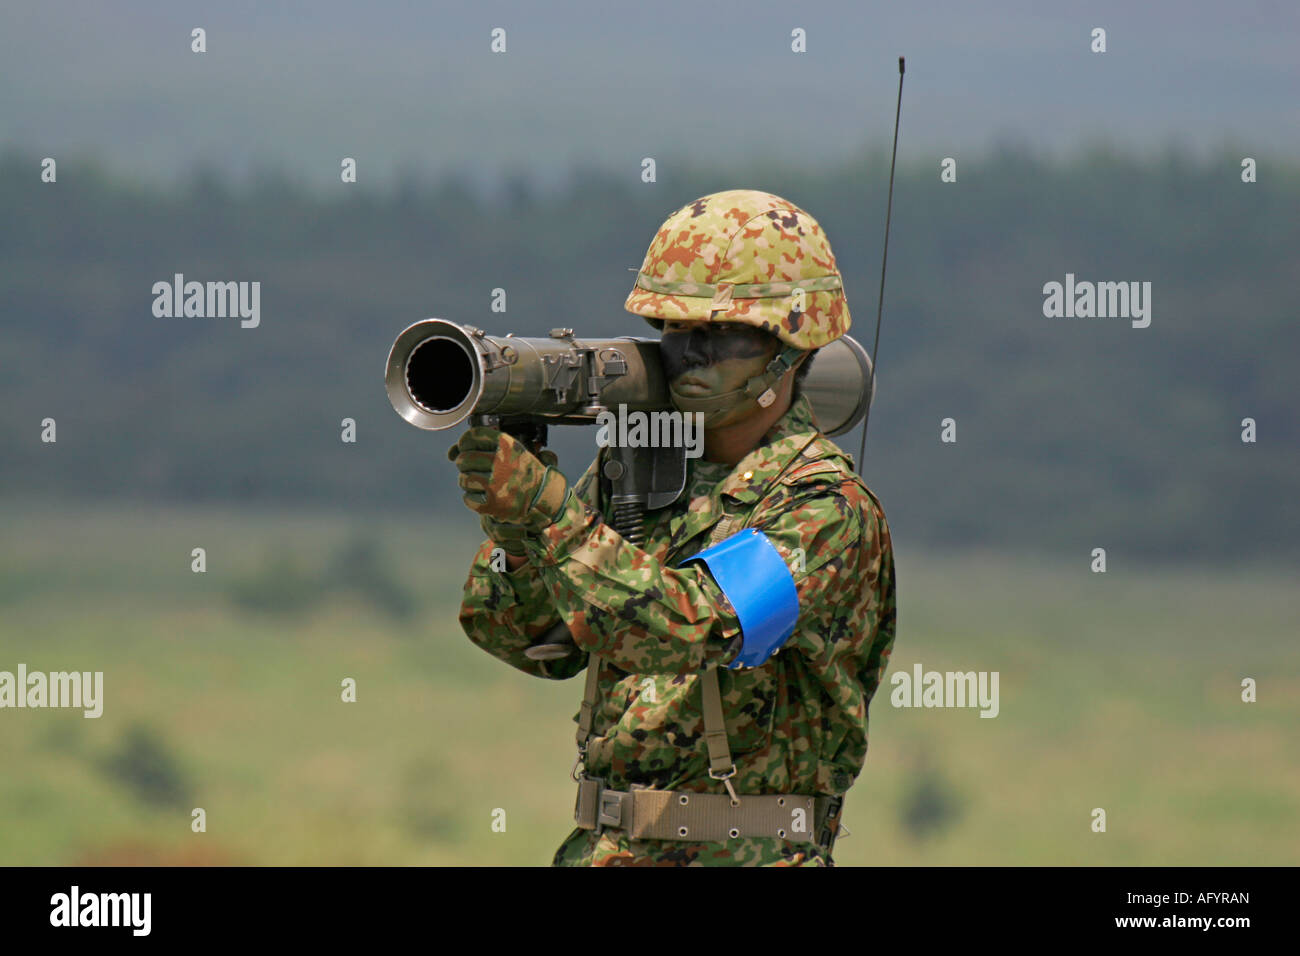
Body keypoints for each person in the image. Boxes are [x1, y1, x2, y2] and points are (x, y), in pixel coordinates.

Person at [451, 189, 897, 866]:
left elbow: (700, 629)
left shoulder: (825, 506)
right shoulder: (641, 470)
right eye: (677, 331)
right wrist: (516, 533)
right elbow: (531, 641)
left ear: (790, 348)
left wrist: (551, 516)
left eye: (722, 336)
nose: (690, 354)